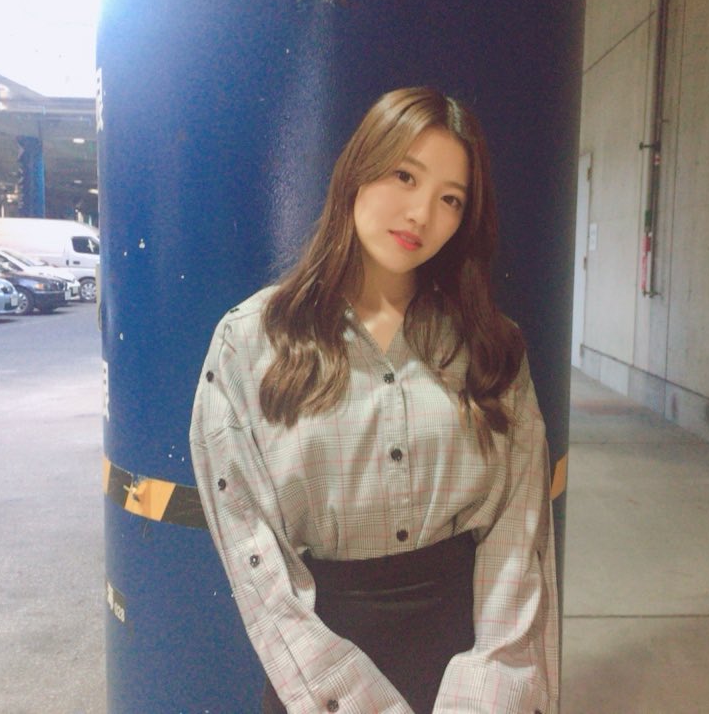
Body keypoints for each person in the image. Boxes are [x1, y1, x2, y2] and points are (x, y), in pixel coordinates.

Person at [190, 86, 559, 714]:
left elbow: (519, 535)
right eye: (404, 176)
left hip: (465, 658)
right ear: (358, 170)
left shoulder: (491, 347)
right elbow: (253, 551)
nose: (421, 214)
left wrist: (485, 694)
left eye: (450, 199)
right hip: (315, 673)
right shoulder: (250, 342)